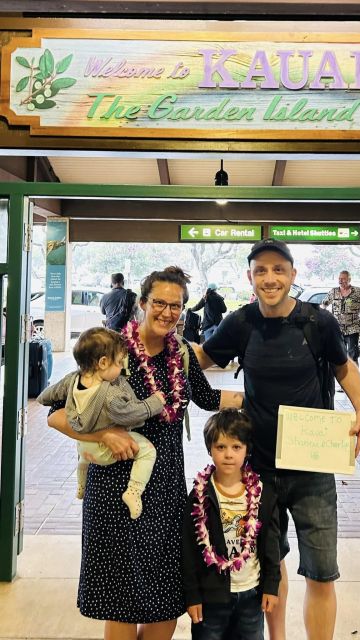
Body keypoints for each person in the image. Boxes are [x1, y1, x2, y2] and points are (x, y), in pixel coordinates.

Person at [47, 266, 243, 640]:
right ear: (142, 303)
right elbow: (56, 413)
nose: (168, 312)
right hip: (115, 490)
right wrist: (105, 433)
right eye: (160, 303)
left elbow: (206, 398)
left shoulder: (182, 352)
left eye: (177, 305)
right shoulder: (110, 350)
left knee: (168, 599)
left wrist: (262, 401)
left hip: (166, 488)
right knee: (121, 602)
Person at [191, 238, 360, 640]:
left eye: (278, 269)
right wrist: (152, 349)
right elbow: (199, 358)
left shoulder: (317, 322)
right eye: (260, 270)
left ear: (293, 275)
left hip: (313, 470)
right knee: (270, 567)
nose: (269, 278)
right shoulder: (240, 323)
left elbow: (343, 369)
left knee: (322, 573)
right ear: (250, 277)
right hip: (260, 471)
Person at [37, 327, 166, 519]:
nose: (122, 368)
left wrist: (45, 399)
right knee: (148, 451)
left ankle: (81, 483)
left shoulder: (72, 380)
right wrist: (156, 402)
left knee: (84, 457)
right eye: (120, 362)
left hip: (84, 447)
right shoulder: (110, 395)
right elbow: (132, 414)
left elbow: (48, 395)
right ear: (103, 362)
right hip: (105, 452)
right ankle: (133, 492)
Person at [182, 408, 281, 640]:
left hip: (251, 594)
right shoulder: (200, 495)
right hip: (211, 598)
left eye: (236, 447)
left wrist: (271, 586)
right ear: (210, 449)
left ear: (247, 450)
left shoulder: (262, 495)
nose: (228, 454)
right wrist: (192, 595)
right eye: (220, 447)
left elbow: (271, 544)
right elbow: (188, 549)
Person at [322, 270, 360, 366]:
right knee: (339, 354)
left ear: (349, 279)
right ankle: (342, 375)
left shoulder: (358, 292)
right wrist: (323, 315)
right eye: (339, 278)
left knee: (353, 353)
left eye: (343, 279)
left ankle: (354, 376)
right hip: (338, 328)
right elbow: (324, 304)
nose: (340, 281)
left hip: (353, 328)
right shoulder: (334, 292)